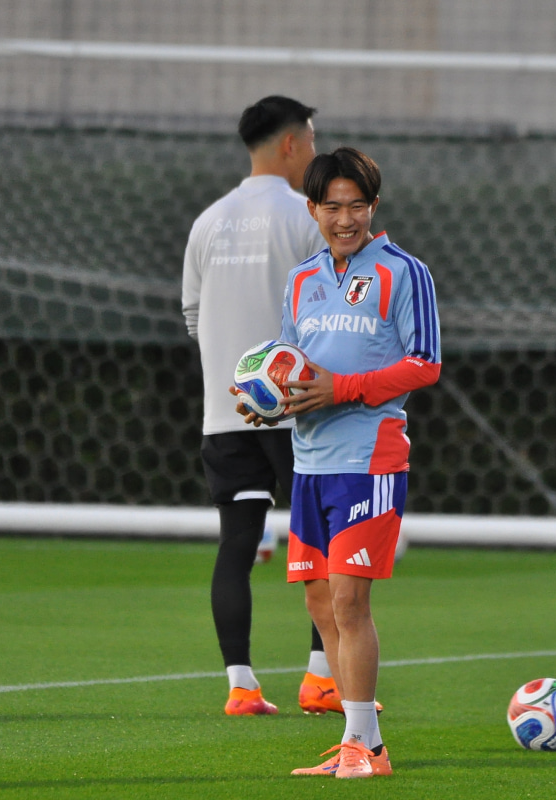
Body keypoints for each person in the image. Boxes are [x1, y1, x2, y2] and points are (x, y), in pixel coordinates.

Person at [237, 147, 441, 777]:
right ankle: (360, 739)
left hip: (370, 460)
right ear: (313, 210)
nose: (344, 219)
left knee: (350, 602)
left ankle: (367, 750)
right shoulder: (302, 280)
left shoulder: (405, 272)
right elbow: (291, 365)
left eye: (356, 206)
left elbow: (425, 363)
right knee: (322, 605)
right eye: (332, 206)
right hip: (310, 463)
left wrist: (343, 389)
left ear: (373, 207)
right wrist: (269, 403)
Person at [182, 95, 334, 717]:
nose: (316, 151)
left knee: (237, 543)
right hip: (298, 412)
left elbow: (192, 317)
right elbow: (331, 311)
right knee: (325, 541)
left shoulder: (207, 221)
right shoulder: (305, 216)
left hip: (226, 412)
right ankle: (320, 679)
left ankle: (241, 686)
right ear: (291, 143)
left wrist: (239, 376)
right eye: (313, 140)